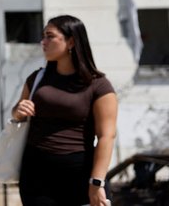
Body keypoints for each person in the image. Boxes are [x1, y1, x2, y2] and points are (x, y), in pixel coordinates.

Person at [12, 15, 118, 206]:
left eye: (50, 36)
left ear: (71, 41)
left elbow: (106, 136)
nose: (43, 42)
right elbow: (16, 114)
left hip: (80, 176)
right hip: (36, 175)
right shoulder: (37, 78)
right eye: (43, 36)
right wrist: (18, 111)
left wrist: (96, 182)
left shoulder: (99, 85)